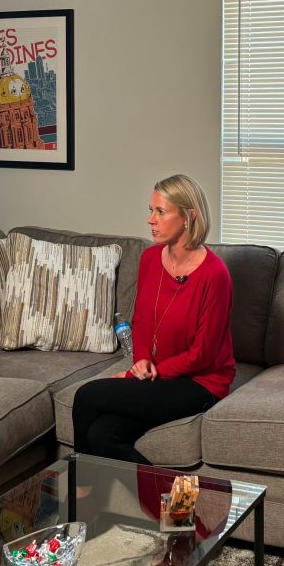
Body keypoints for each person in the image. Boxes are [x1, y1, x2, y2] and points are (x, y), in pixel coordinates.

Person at [70, 174, 235, 463]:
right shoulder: (149, 259)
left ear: (188, 216)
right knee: (101, 436)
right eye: (151, 210)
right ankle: (173, 505)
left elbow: (203, 355)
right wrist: (141, 360)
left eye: (161, 211)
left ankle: (81, 495)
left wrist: (142, 377)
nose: (151, 220)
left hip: (199, 383)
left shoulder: (215, 274)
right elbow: (142, 321)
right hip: (157, 375)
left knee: (88, 395)